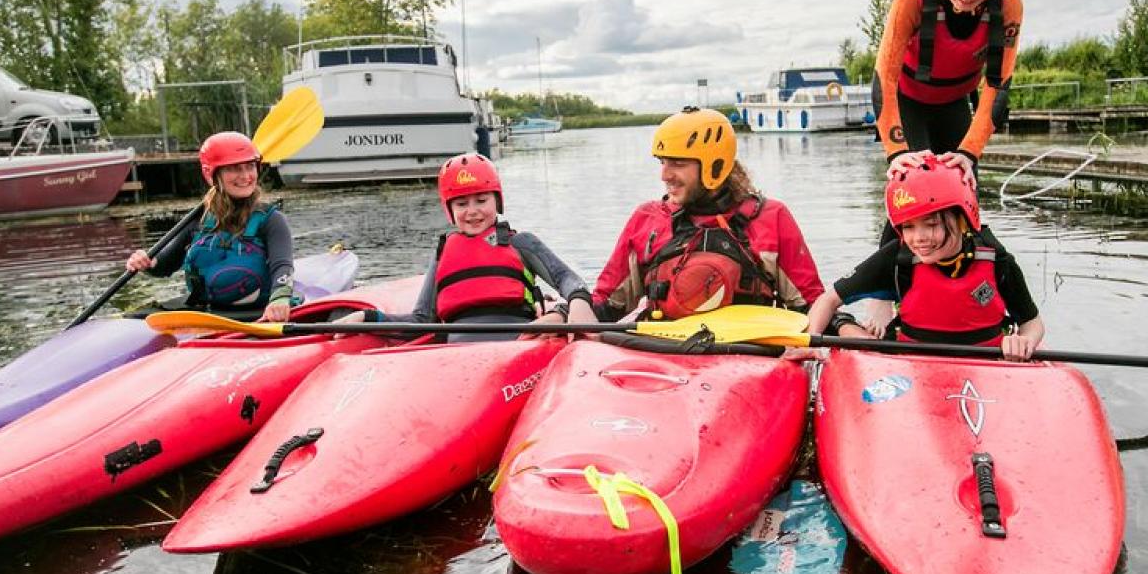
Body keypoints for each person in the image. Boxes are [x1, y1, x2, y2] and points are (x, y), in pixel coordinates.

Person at [591, 107, 868, 337]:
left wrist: (843, 325)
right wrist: (566, 311)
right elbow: (604, 306)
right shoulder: (647, 220)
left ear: (714, 165)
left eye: (677, 163)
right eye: (662, 162)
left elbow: (809, 306)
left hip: (746, 362)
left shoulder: (771, 218)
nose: (664, 174)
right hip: (665, 360)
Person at [805, 153, 1045, 360]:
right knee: (859, 335)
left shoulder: (996, 260)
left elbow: (1032, 323)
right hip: (911, 368)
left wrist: (1024, 341)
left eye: (930, 224)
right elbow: (827, 301)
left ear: (962, 218)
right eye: (908, 227)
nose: (918, 238)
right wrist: (809, 344)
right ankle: (843, 323)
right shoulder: (899, 258)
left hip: (983, 366)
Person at [873, 0, 1024, 184]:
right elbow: (884, 80)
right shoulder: (911, 0)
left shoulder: (1008, 7)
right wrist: (896, 153)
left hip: (955, 103)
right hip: (909, 104)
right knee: (913, 186)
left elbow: (997, 85)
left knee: (962, 187)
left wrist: (969, 153)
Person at [396, 153, 598, 342]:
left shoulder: (521, 243)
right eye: (461, 204)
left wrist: (577, 301)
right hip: (457, 354)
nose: (472, 211)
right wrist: (369, 317)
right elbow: (421, 320)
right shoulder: (442, 253)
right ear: (450, 210)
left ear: (497, 200)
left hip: (521, 344)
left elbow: (567, 279)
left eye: (482, 200)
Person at [125, 132, 297, 322]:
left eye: (250, 166)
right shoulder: (198, 219)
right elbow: (163, 267)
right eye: (234, 168)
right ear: (212, 174)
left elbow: (283, 266)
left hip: (259, 315)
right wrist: (145, 263)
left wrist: (280, 298)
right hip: (210, 316)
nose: (246, 176)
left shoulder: (271, 220)